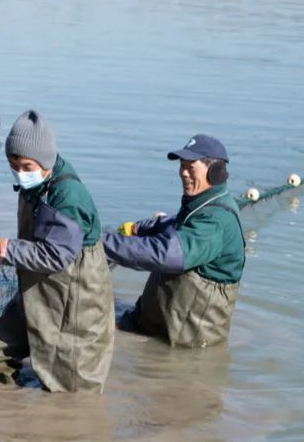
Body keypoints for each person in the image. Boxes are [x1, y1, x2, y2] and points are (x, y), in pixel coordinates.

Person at [0, 111, 114, 393]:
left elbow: (56, 255)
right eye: (13, 165)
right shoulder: (35, 184)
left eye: (26, 166)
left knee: (72, 390)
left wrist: (2, 248)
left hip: (74, 299)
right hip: (34, 291)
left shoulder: (68, 196)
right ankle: (8, 407)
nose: (20, 173)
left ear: (46, 162)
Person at [103, 134, 244, 348]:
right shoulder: (202, 204)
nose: (183, 173)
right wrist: (139, 228)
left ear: (214, 172)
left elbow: (165, 255)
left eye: (190, 167)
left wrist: (103, 243)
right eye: (182, 166)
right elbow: (178, 223)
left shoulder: (214, 220)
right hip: (162, 323)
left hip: (186, 339)